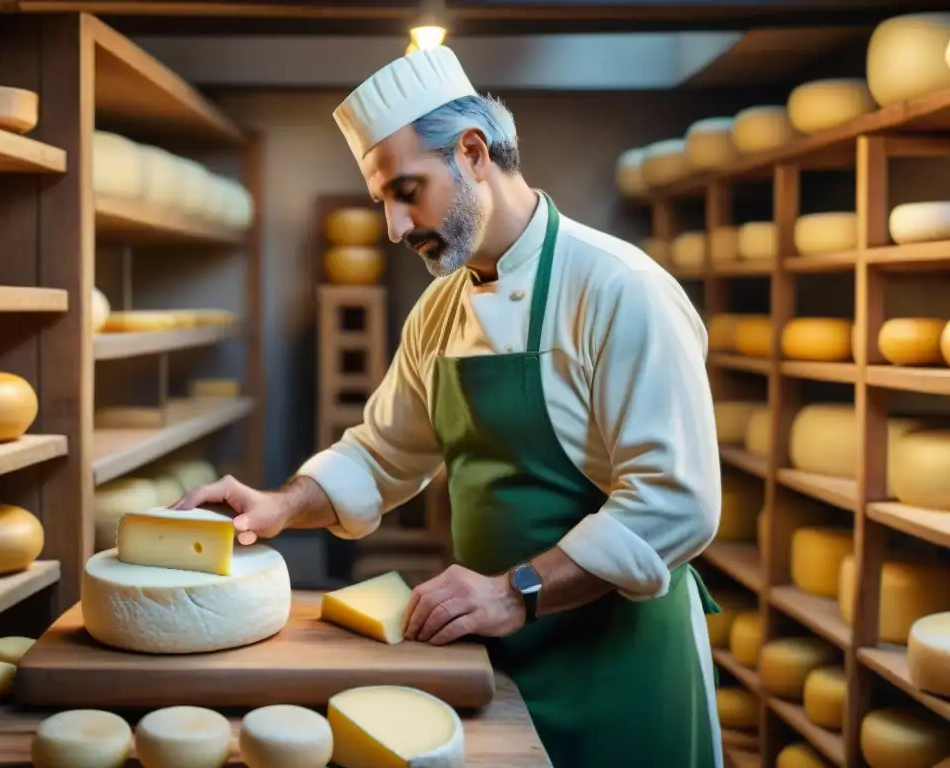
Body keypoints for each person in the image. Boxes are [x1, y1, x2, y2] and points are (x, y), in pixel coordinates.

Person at [173, 45, 724, 768]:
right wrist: (283, 504)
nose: (397, 228)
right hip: (493, 654)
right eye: (383, 204)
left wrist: (518, 589)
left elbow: (676, 504)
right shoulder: (440, 309)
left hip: (620, 667)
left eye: (408, 191)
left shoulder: (621, 290)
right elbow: (383, 452)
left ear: (472, 153)